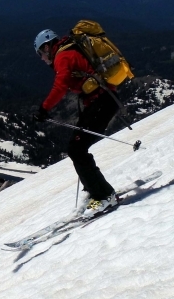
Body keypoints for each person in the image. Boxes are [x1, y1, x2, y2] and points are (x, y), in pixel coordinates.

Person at [33, 29, 119, 216]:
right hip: (101, 101)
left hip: (102, 102)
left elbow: (60, 85)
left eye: (41, 53)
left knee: (76, 149)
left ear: (47, 47)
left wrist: (44, 109)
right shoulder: (69, 49)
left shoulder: (62, 56)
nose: (41, 58)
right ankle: (95, 190)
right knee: (76, 147)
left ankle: (104, 195)